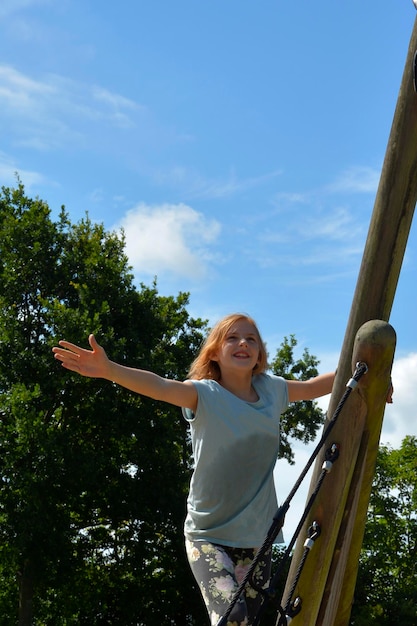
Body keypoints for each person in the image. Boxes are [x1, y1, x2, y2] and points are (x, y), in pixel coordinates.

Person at [52, 313, 335, 626]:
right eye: (232, 338)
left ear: (259, 354)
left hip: (257, 537)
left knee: (248, 624)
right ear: (214, 351)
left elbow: (313, 386)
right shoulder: (204, 394)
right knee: (233, 618)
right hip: (208, 536)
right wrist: (109, 370)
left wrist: (375, 370)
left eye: (251, 339)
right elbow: (159, 385)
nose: (243, 343)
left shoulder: (272, 391)